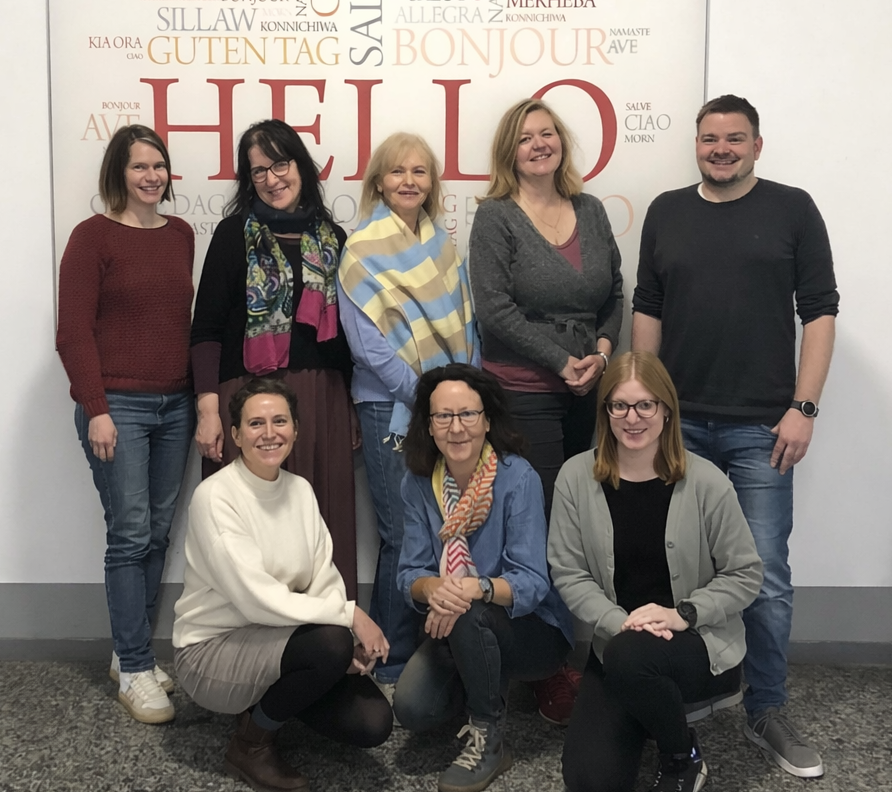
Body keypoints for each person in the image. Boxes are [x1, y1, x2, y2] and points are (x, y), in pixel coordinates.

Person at [632, 94, 839, 778]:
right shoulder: (666, 211)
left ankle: (766, 708)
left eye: (735, 138)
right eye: (710, 138)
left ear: (756, 145)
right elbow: (648, 309)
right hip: (679, 424)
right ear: (696, 144)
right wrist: (646, 405)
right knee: (676, 565)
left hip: (762, 427)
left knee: (766, 575)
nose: (721, 148)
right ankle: (692, 688)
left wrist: (804, 406)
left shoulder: (793, 208)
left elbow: (820, 311)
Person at [468, 97, 624, 724]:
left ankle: (566, 651)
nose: (539, 144)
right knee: (542, 525)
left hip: (590, 389)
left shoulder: (590, 210)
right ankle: (545, 665)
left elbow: (614, 292)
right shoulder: (496, 217)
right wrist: (562, 361)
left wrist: (603, 351)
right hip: (525, 391)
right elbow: (494, 309)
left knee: (583, 520)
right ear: (510, 151)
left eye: (548, 133)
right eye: (526, 137)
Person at [548, 352, 763, 792]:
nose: (633, 418)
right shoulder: (575, 477)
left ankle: (681, 757)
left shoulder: (707, 482)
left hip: (694, 641)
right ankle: (646, 710)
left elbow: (745, 574)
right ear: (605, 411)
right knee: (589, 781)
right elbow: (569, 572)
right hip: (617, 642)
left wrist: (684, 613)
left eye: (645, 404)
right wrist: (619, 622)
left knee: (633, 659)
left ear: (666, 409)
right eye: (620, 405)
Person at [173, 378, 392, 792]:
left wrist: (342, 633)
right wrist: (348, 617)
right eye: (255, 423)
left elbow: (323, 575)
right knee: (330, 644)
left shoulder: (300, 491)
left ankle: (266, 704)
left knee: (372, 722)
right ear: (236, 434)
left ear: (295, 430)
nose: (269, 433)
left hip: (281, 639)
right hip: (212, 651)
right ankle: (250, 745)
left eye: (280, 421)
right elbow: (256, 599)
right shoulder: (215, 497)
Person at [56, 124, 195, 723]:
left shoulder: (181, 235)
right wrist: (97, 409)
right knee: (130, 535)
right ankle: (136, 668)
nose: (151, 176)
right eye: (140, 166)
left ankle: (127, 651)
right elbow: (72, 333)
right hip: (118, 407)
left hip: (176, 406)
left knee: (158, 534)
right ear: (118, 173)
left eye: (159, 166)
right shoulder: (92, 237)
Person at [191, 119, 359, 599]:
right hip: (245, 397)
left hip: (321, 401)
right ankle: (246, 630)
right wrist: (208, 410)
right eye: (258, 171)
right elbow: (206, 330)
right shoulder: (232, 235)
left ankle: (330, 629)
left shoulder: (333, 238)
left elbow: (346, 335)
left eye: (280, 164)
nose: (271, 178)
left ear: (301, 166)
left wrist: (349, 405)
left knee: (322, 518)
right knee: (246, 528)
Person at [337, 133, 478, 698]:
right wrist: (427, 396)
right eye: (398, 171)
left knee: (438, 528)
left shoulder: (443, 246)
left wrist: (464, 394)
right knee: (400, 532)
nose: (409, 181)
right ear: (379, 181)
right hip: (389, 406)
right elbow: (366, 346)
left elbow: (467, 322)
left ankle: (431, 650)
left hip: (448, 409)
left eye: (420, 171)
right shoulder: (361, 249)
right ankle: (390, 657)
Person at [393, 364, 574, 792]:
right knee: (413, 709)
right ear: (429, 426)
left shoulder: (518, 478)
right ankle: (484, 678)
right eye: (443, 416)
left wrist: (475, 588)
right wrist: (434, 589)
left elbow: (532, 582)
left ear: (487, 421)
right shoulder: (417, 484)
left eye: (468, 414)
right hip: (458, 620)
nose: (456, 428)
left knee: (470, 609)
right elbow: (409, 574)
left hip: (533, 630)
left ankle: (488, 737)